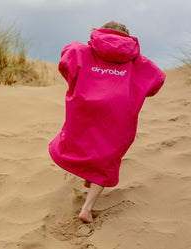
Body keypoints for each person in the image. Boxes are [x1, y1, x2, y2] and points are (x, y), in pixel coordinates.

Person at [49, 21, 166, 223]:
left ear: (99, 32)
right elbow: (157, 79)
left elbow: (65, 60)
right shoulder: (137, 60)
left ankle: (87, 175)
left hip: (85, 104)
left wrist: (79, 81)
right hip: (118, 109)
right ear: (127, 37)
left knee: (81, 140)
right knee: (107, 156)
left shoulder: (82, 50)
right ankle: (87, 208)